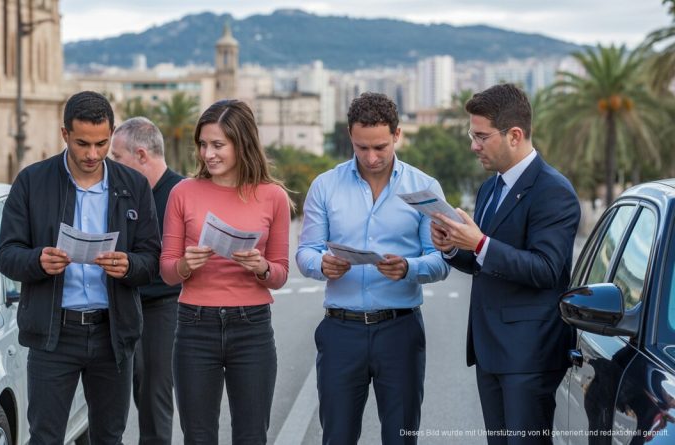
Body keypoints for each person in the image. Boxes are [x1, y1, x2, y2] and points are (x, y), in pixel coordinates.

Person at [0, 91, 161, 445]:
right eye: (83, 143)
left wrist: (129, 265)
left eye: (102, 144)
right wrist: (38, 260)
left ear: (112, 134)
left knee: (109, 437)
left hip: (112, 335)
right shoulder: (31, 181)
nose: (92, 154)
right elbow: (7, 255)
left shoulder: (133, 186)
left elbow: (152, 260)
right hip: (53, 336)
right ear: (64, 134)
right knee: (45, 437)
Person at [430, 83, 581, 445]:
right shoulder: (490, 187)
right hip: (490, 350)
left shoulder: (553, 191)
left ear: (514, 135)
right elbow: (486, 261)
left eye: (481, 136)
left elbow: (545, 269)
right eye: (472, 135)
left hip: (529, 355)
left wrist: (479, 242)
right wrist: (453, 248)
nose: (473, 146)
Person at [296, 92, 450, 445]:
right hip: (340, 331)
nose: (371, 157)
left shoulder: (424, 187)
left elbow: (441, 260)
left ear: (397, 135)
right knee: (337, 436)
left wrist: (408, 268)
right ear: (350, 136)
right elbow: (306, 251)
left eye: (380, 146)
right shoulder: (324, 186)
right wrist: (322, 264)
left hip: (400, 330)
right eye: (361, 147)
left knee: (401, 437)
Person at [160, 99, 292, 445]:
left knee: (251, 436)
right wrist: (187, 265)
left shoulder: (272, 197)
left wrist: (261, 268)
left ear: (242, 143)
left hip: (252, 328)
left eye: (218, 145)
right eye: (203, 145)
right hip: (194, 326)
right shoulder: (182, 193)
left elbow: (280, 273)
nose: (208, 154)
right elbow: (167, 272)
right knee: (198, 436)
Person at [110, 116, 184, 445]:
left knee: (153, 396)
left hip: (162, 308)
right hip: (119, 303)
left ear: (141, 156)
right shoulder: (123, 193)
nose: (110, 165)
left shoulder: (181, 195)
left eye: (116, 157)